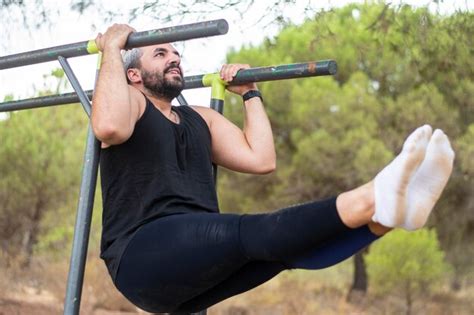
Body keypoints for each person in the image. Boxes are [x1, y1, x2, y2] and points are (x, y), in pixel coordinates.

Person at [91, 24, 455, 313]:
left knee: (283, 254)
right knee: (254, 232)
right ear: (134, 75)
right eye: (160, 52)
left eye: (176, 52)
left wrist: (250, 93)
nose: (174, 58)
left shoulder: (199, 118)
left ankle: (385, 219)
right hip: (140, 256)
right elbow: (107, 126)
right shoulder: (131, 105)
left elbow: (262, 159)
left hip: (187, 279)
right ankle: (369, 198)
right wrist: (111, 48)